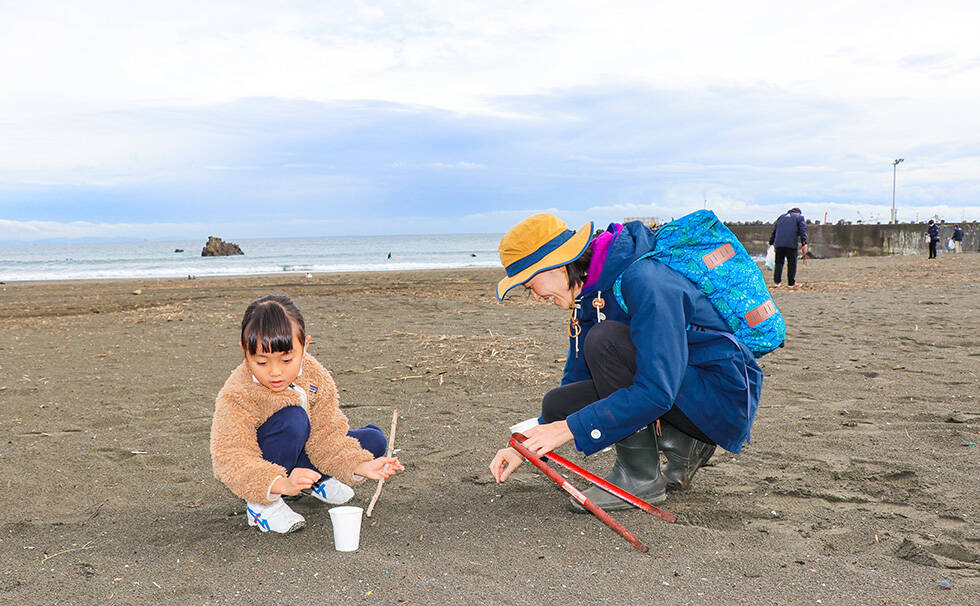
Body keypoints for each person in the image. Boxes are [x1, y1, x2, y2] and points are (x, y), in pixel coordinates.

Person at [488, 214, 763, 511]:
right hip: (681, 389)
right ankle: (683, 444)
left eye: (530, 285)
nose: (535, 296)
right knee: (558, 401)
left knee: (605, 341)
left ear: (556, 264)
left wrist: (568, 429)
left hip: (720, 400)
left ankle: (639, 477)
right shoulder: (589, 294)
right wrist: (528, 445)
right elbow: (577, 383)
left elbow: (657, 391)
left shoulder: (646, 280)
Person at [210, 294, 404, 533]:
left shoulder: (316, 375)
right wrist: (280, 483)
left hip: (303, 453)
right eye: (262, 362)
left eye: (287, 360)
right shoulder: (237, 393)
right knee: (293, 420)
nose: (275, 372)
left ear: (305, 345)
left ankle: (313, 481)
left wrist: (360, 466)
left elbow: (326, 436)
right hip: (264, 465)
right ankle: (262, 507)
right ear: (245, 351)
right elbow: (230, 458)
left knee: (373, 440)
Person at [768, 208, 808, 287]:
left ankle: (777, 282)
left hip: (778, 243)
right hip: (791, 243)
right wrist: (804, 242)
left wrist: (771, 242)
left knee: (779, 262)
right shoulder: (799, 217)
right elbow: (802, 231)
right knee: (791, 263)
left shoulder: (781, 217)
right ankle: (791, 282)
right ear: (798, 213)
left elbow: (774, 231)